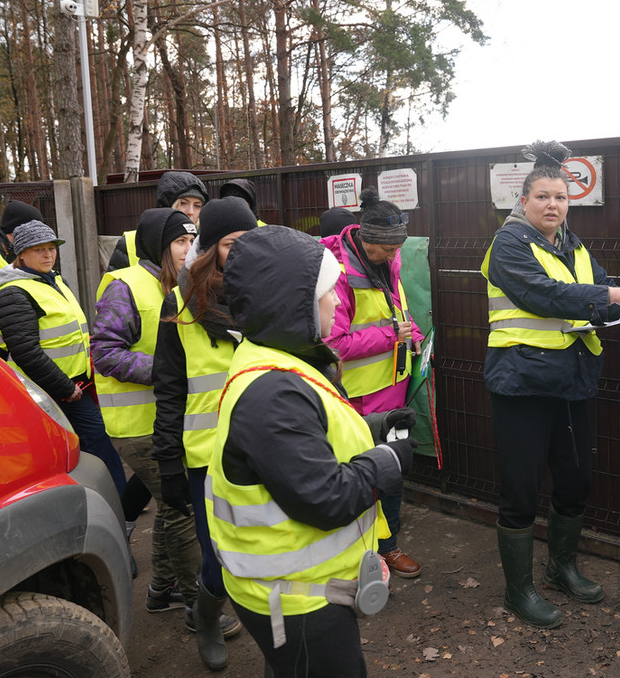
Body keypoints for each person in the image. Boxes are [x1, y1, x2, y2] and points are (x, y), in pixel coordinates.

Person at [208, 224, 414, 677]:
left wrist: (374, 428)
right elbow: (325, 498)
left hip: (297, 589)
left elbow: (310, 439)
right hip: (295, 599)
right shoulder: (274, 390)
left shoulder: (281, 362)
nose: (338, 301)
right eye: (327, 291)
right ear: (293, 302)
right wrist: (387, 462)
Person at [482, 140, 620, 629]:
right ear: (524, 202)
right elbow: (543, 295)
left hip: (572, 383)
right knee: (520, 491)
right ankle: (518, 591)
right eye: (543, 197)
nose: (553, 205)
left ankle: (562, 567)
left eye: (561, 197)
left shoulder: (575, 246)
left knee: (576, 481)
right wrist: (611, 292)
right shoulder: (509, 244)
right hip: (521, 383)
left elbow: (594, 295)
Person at [92, 208, 213, 627]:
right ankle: (201, 606)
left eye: (191, 241)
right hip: (138, 426)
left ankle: (161, 589)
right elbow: (104, 353)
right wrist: (167, 368)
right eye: (180, 242)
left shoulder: (182, 284)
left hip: (170, 422)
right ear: (159, 247)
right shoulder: (125, 286)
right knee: (184, 513)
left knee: (170, 503)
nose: (188, 250)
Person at [152, 196, 257, 670]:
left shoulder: (268, 293)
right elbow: (169, 390)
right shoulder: (180, 305)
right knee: (218, 555)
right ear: (212, 247)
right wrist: (168, 463)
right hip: (206, 456)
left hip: (264, 447)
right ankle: (208, 618)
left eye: (251, 242)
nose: (244, 252)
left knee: (268, 546)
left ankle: (280, 632)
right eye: (234, 244)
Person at [321, 187, 424, 579]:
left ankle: (390, 546)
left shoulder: (388, 263)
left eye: (398, 248)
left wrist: (411, 333)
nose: (394, 256)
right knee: (360, 475)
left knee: (393, 471)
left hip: (392, 390)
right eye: (386, 249)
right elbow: (334, 343)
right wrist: (392, 337)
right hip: (356, 399)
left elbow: (398, 312)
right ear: (365, 238)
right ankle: (358, 553)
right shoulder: (337, 271)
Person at [0, 220, 126, 495]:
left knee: (86, 448)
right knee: (95, 443)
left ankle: (113, 502)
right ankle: (121, 505)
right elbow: (26, 351)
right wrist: (66, 388)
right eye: (39, 250)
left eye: (51, 248)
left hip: (75, 386)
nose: (48, 254)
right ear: (21, 254)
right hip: (52, 391)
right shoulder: (14, 293)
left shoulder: (53, 280)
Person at [108, 171, 207, 270]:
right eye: (183, 203)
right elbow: (115, 283)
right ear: (165, 206)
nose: (190, 211)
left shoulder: (206, 242)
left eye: (197, 205)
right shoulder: (131, 242)